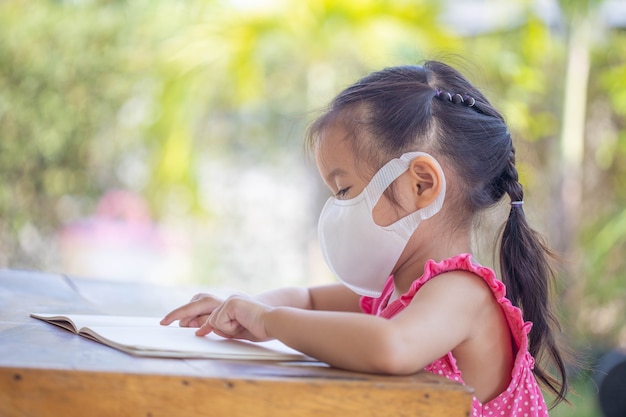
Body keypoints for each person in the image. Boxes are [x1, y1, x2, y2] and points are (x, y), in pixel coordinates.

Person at [161, 61, 570, 416]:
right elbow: (308, 299)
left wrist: (269, 322)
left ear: (420, 186)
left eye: (344, 190)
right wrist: (246, 308)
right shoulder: (397, 290)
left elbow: (391, 347)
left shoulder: (463, 292)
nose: (337, 209)